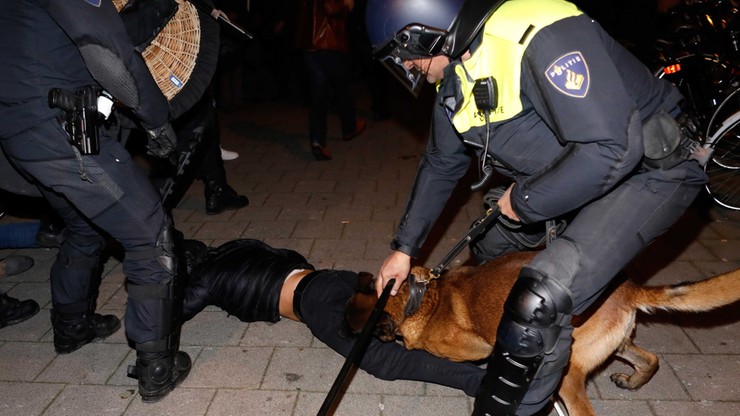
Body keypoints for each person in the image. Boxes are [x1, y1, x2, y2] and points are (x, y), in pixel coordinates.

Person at [365, 0, 708, 414]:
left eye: (407, 57)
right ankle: (544, 343)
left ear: (427, 28)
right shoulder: (456, 78)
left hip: (649, 175)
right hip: (574, 183)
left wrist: (527, 200)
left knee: (537, 298)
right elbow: (441, 163)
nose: (408, 68)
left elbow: (611, 148)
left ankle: (524, 400)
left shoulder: (539, 33)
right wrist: (404, 250)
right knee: (491, 249)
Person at [0, 0, 190, 403]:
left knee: (85, 227)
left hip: (20, 135)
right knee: (149, 233)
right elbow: (108, 55)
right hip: (60, 133)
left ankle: (72, 327)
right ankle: (156, 366)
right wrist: (157, 121)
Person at [181, 238, 486, 396]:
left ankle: (479, 382)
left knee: (384, 361)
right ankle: (471, 325)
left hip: (315, 304)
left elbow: (173, 312)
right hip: (332, 279)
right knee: (396, 308)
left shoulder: (207, 277)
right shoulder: (238, 248)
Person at [295, 0, 367, 161]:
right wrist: (346, 4)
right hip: (327, 41)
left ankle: (317, 140)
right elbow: (331, 7)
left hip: (309, 43)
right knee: (343, 86)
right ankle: (349, 128)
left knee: (318, 92)